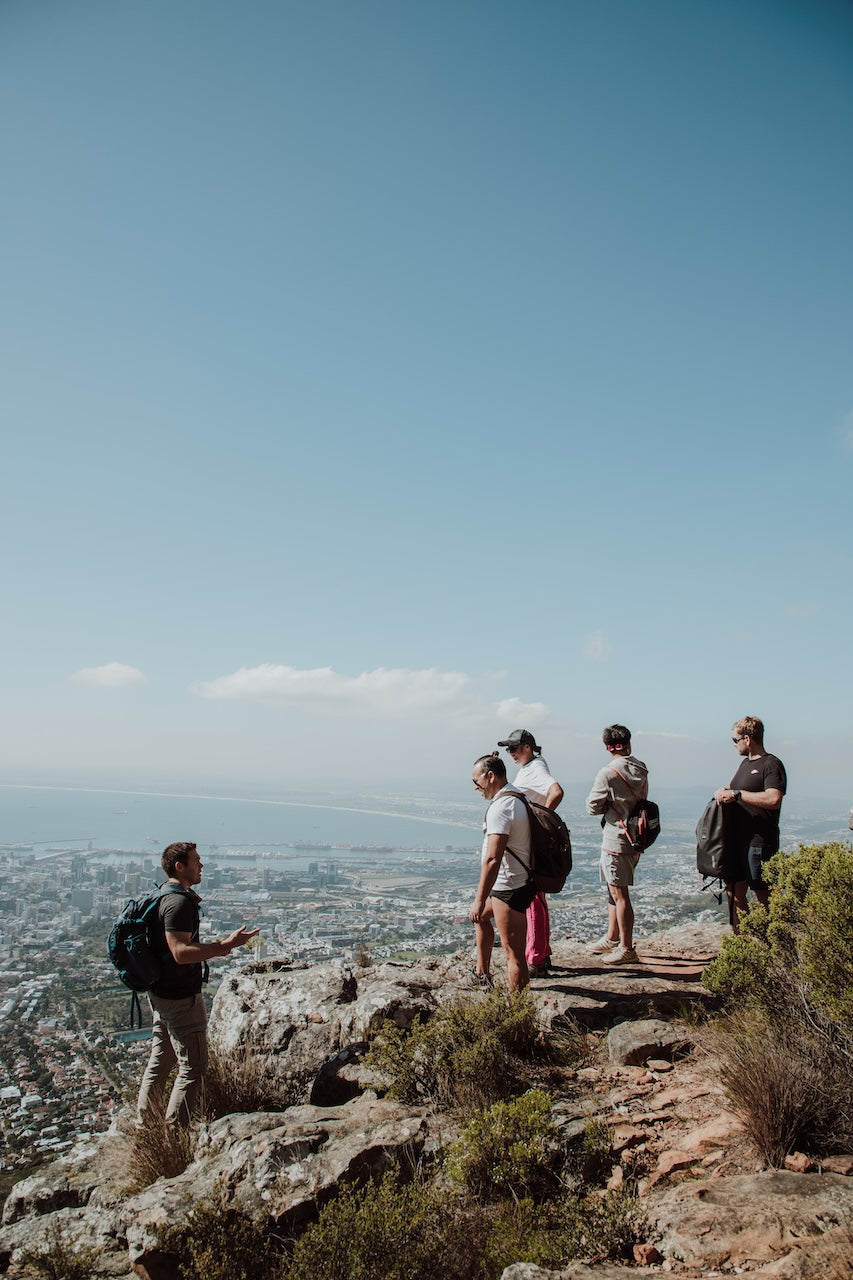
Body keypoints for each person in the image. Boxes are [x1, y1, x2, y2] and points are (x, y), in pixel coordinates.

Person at [136, 841, 259, 1125]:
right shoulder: (178, 901)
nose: (202, 865)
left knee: (162, 1061)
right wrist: (224, 946)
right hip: (179, 998)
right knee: (194, 1067)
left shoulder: (162, 895)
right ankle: (176, 1133)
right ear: (180, 867)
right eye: (197, 860)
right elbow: (179, 952)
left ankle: (145, 1127)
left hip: (160, 993)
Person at [498, 729, 564, 978]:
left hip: (531, 845)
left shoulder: (536, 767)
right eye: (508, 750)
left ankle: (536, 958)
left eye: (514, 748)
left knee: (531, 900)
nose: (511, 753)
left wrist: (541, 823)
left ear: (527, 746)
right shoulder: (530, 766)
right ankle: (540, 952)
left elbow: (556, 791)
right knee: (537, 898)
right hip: (532, 844)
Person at [470, 752, 537, 991]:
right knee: (480, 918)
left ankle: (517, 1016)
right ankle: (482, 972)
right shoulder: (517, 795)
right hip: (518, 882)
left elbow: (492, 858)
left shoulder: (502, 806)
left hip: (508, 887)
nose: (475, 787)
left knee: (514, 955)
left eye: (476, 781)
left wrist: (479, 899)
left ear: (490, 777)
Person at [713, 716, 787, 934]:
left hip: (759, 842)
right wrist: (725, 790)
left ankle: (773, 945)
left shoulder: (771, 764)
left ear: (747, 738)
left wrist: (737, 794)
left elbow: (773, 799)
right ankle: (742, 946)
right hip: (737, 841)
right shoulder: (745, 764)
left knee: (764, 895)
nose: (734, 744)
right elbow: (739, 788)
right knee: (733, 891)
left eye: (735, 740)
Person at [585, 724, 648, 966]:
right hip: (636, 835)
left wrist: (607, 807)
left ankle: (626, 947)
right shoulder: (641, 767)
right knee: (614, 891)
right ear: (628, 743)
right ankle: (612, 937)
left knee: (620, 894)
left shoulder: (608, 772)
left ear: (608, 747)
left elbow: (592, 806)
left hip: (616, 838)